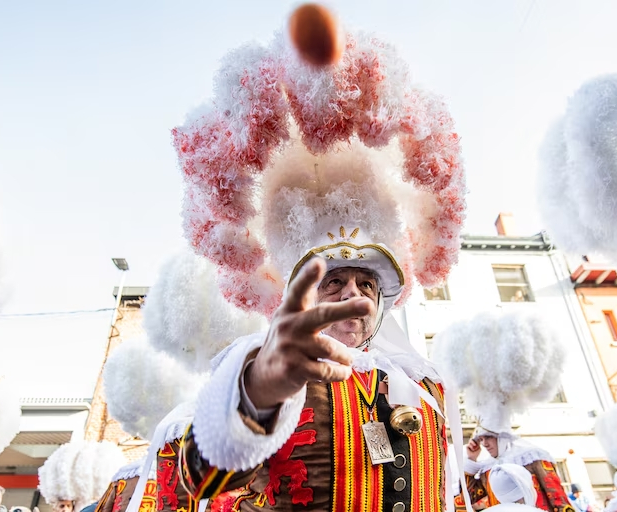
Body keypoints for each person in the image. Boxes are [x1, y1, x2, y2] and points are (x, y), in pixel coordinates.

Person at [120, 7, 470, 512]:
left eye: (366, 282)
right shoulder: (267, 367)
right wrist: (260, 388)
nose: (353, 295)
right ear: (298, 296)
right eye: (333, 282)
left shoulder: (423, 386)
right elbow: (198, 480)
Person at [458, 425, 575, 511]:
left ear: (502, 436)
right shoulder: (488, 468)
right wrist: (471, 459)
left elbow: (558, 499)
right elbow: (467, 499)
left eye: (489, 437)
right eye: (481, 439)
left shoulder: (532, 458)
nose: (484, 444)